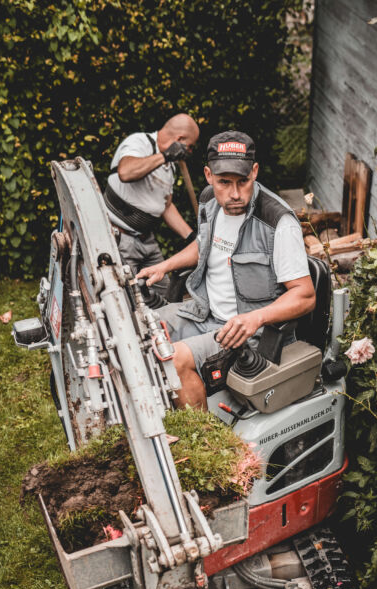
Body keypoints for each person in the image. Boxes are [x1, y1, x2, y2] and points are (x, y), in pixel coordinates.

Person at [137, 130, 315, 408]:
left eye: (243, 181)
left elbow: (305, 295)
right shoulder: (209, 200)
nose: (234, 194)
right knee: (141, 329)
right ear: (208, 176)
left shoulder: (278, 222)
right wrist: (165, 265)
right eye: (224, 182)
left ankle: (202, 444)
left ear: (254, 171)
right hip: (204, 312)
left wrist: (255, 319)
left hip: (252, 335)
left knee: (175, 360)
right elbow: (205, 245)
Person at [105, 113, 200, 306]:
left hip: (146, 241)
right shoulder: (140, 142)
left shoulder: (170, 166)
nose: (189, 152)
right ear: (179, 140)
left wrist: (192, 237)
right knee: (129, 303)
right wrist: (165, 156)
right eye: (189, 146)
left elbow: (165, 206)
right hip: (120, 239)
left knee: (167, 296)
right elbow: (125, 172)